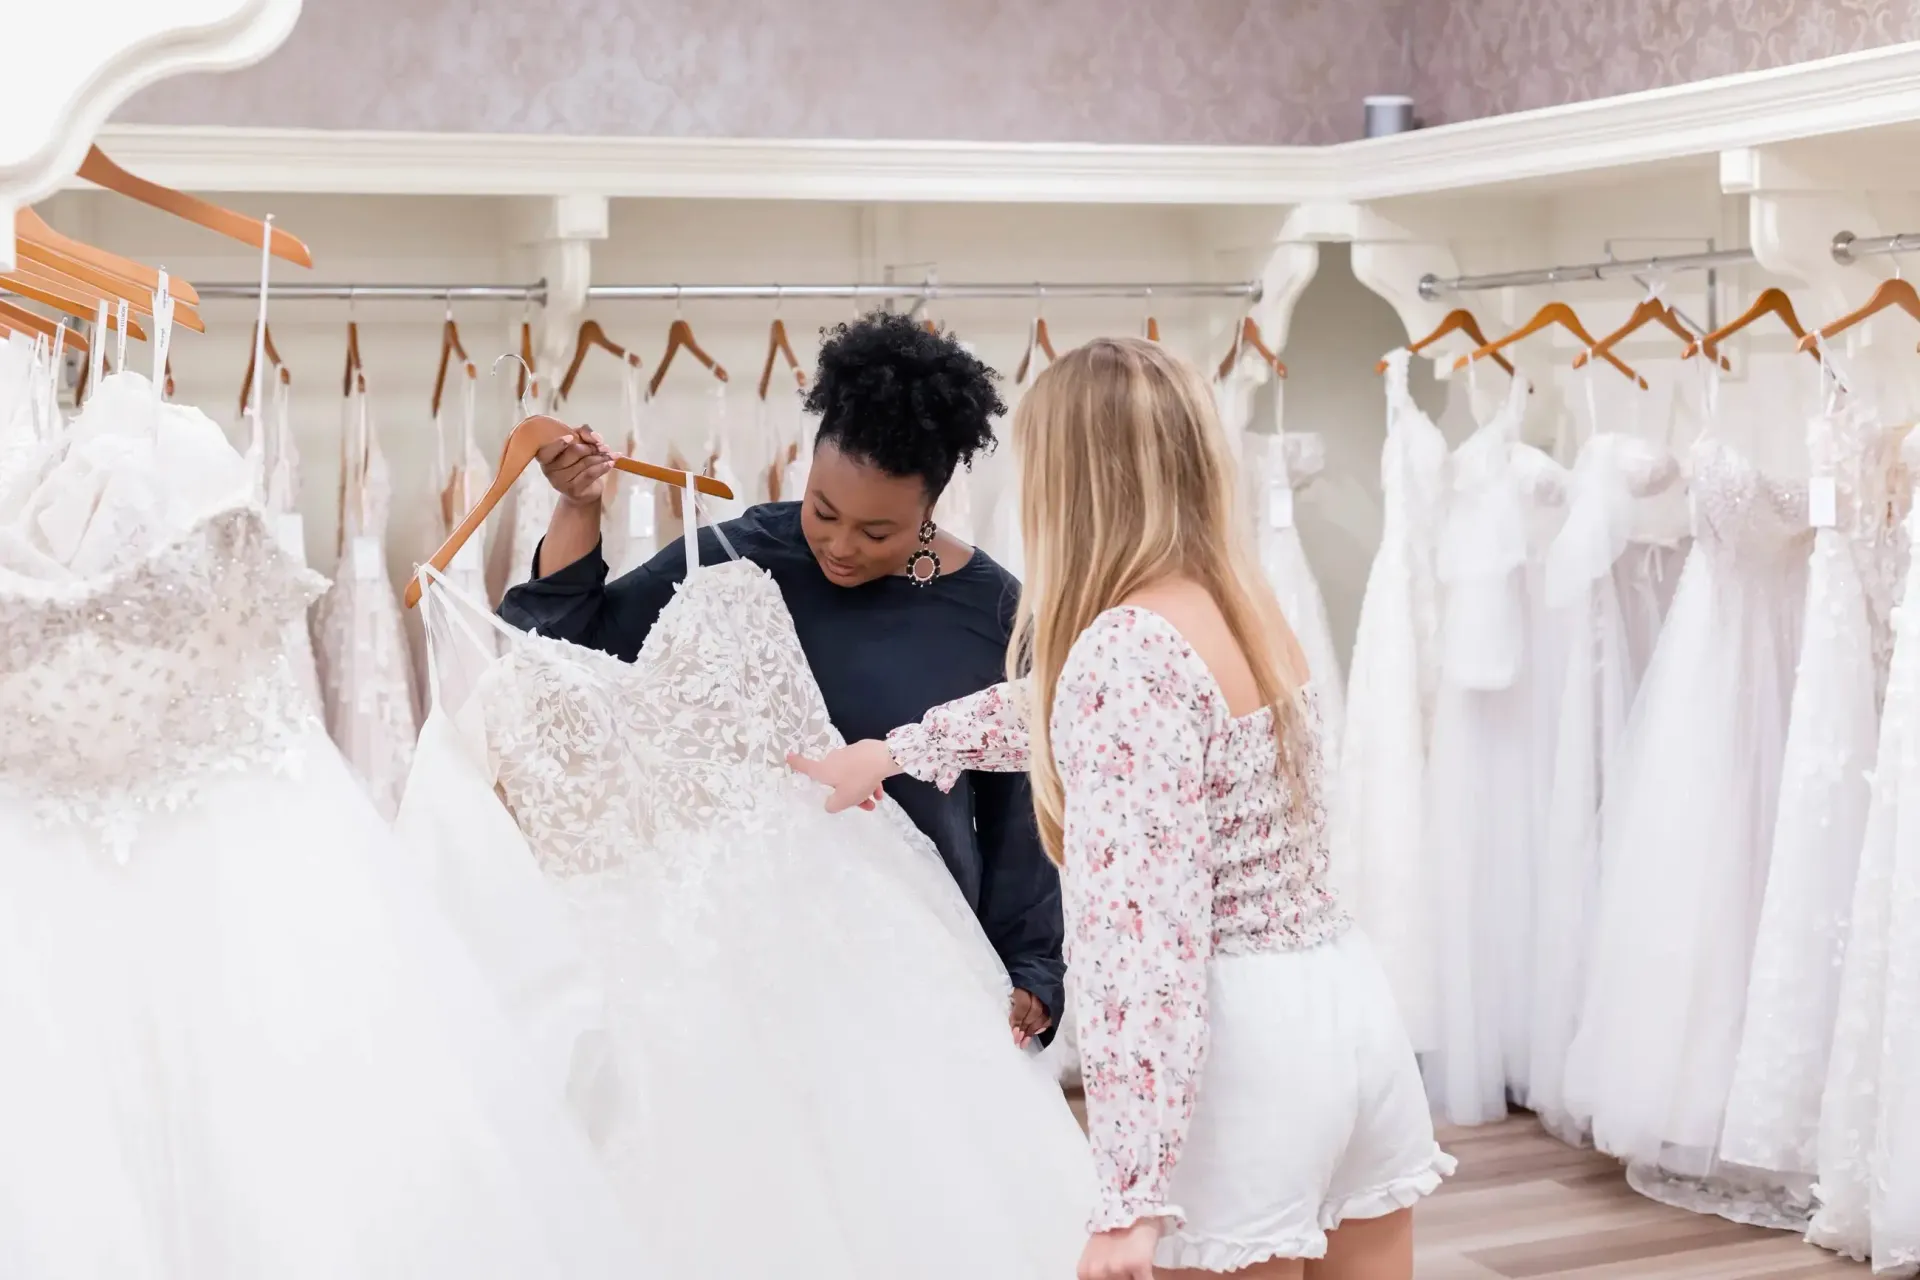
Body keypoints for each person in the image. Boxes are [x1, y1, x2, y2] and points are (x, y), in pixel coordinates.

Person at [790, 337, 1454, 1280]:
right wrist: (898, 752)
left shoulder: (1126, 650)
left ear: (1067, 483)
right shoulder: (1240, 603)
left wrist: (1131, 1195)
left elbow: (1148, 943)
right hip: (1347, 1007)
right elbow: (1071, 707)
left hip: (1241, 1052)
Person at [499, 310, 1064, 1045]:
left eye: (877, 532)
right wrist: (579, 507)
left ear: (932, 504)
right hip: (749, 971)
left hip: (921, 970)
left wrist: (1032, 968)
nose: (839, 546)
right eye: (823, 512)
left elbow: (1021, 813)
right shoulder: (740, 553)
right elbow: (569, 650)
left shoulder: (998, 614)